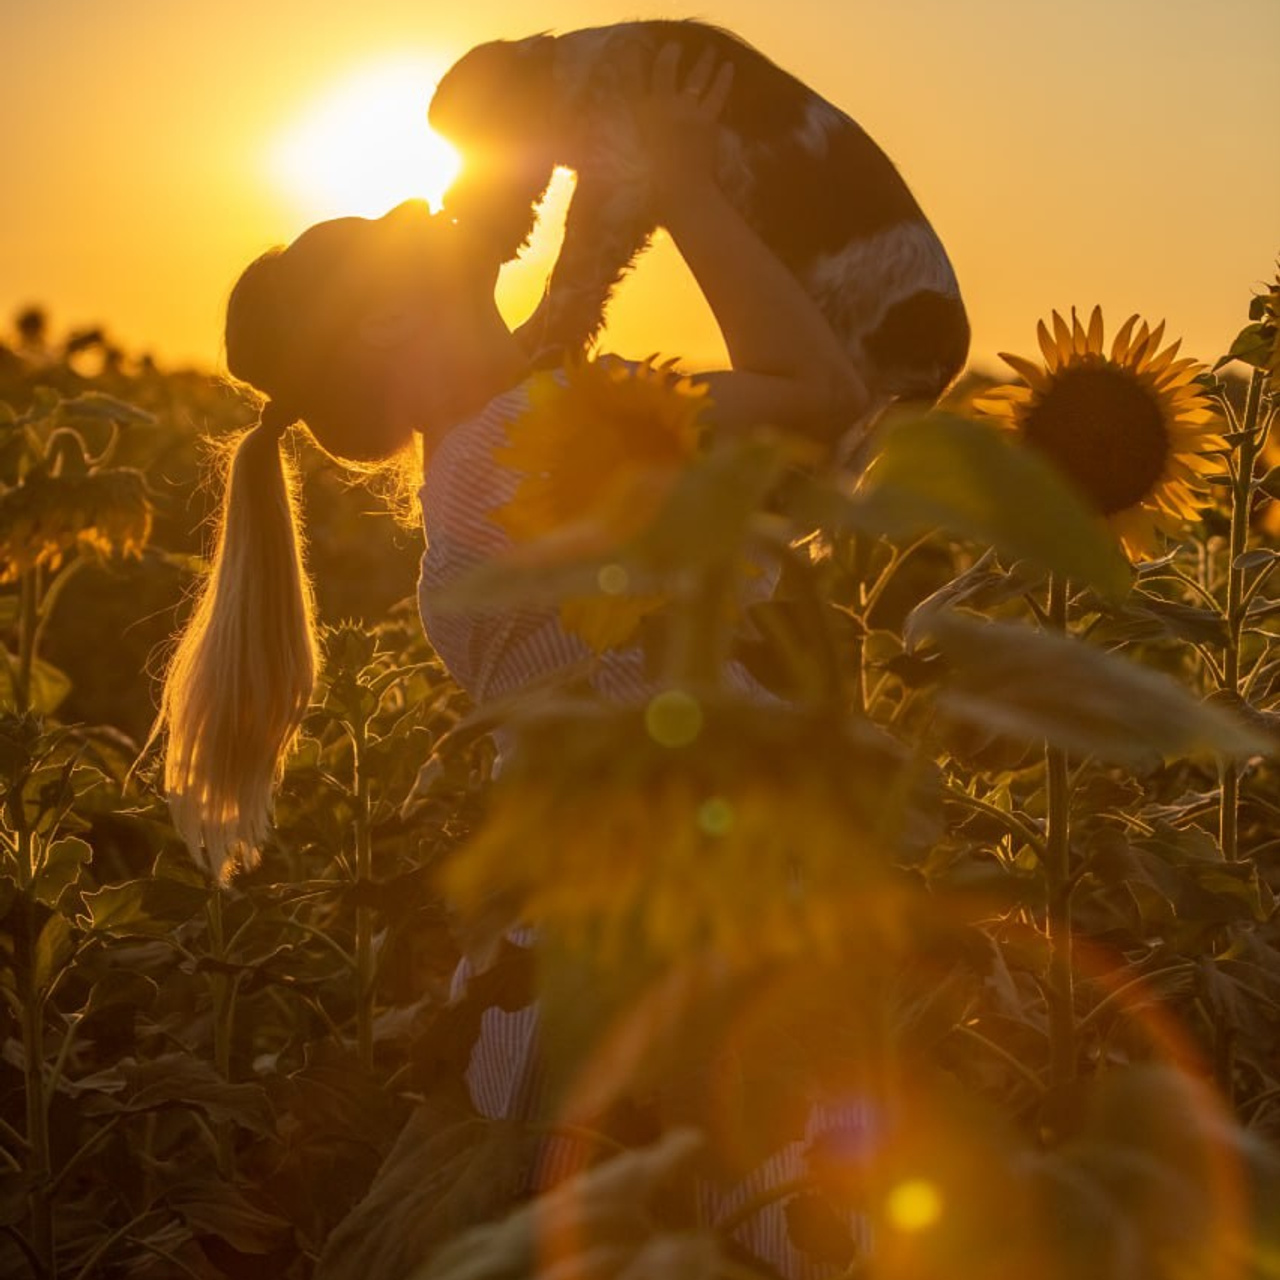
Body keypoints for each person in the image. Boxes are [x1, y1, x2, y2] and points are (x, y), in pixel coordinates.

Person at [158, 43, 871, 1277]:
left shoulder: (486, 461)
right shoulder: (541, 443)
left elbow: (555, 323)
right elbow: (818, 393)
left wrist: (583, 180)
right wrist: (688, 183)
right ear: (390, 319)